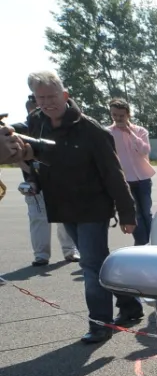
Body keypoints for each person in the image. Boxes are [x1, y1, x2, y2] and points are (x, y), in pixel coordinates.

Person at [16, 70, 139, 344]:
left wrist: (127, 213)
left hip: (92, 205)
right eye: (41, 97)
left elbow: (113, 174)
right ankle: (129, 303)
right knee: (98, 262)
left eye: (52, 96)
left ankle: (99, 324)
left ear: (65, 95)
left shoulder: (91, 130)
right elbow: (34, 156)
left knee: (91, 265)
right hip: (61, 205)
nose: (47, 103)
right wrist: (33, 180)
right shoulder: (37, 122)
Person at [14, 93, 78, 266]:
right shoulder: (20, 128)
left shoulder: (56, 127)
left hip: (58, 179)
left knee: (65, 216)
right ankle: (41, 255)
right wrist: (27, 169)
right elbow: (14, 152)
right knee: (38, 218)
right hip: (34, 181)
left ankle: (70, 251)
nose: (37, 112)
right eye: (33, 108)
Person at [107, 98, 156, 246]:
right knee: (136, 215)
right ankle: (141, 244)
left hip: (143, 178)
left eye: (121, 115)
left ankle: (153, 242)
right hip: (124, 180)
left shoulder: (140, 131)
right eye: (114, 115)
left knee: (147, 213)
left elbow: (145, 150)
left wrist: (130, 133)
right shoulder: (108, 133)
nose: (118, 118)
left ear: (128, 115)